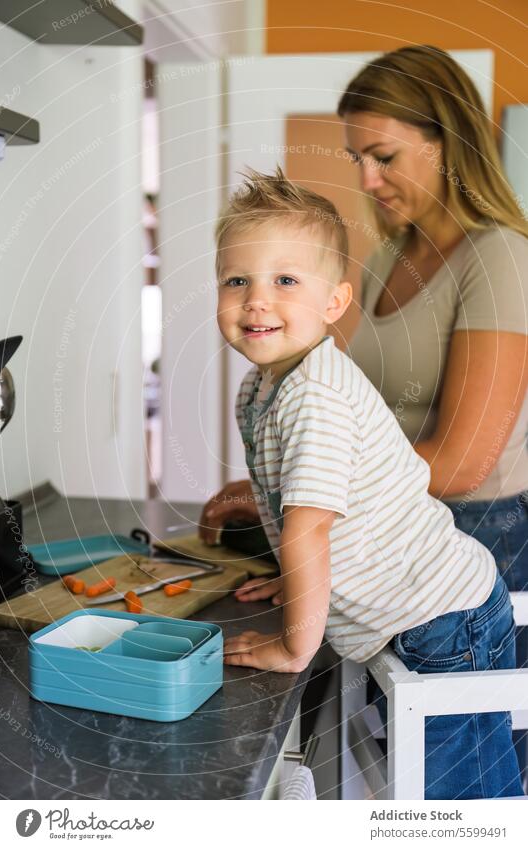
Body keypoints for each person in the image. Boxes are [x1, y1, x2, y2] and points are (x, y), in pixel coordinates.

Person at [205, 164, 522, 799]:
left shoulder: (315, 397)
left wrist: (295, 647)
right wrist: (300, 574)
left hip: (442, 618)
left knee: (461, 801)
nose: (256, 299)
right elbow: (303, 503)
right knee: (452, 784)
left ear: (334, 302)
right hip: (425, 611)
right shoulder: (261, 387)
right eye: (236, 280)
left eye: (285, 280)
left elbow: (310, 524)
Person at [337, 44, 528, 783]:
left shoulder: (500, 257)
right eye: (357, 158)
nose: (366, 180)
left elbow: (461, 459)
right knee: (409, 773)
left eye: (382, 156)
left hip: (476, 538)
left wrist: (316, 488)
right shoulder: (389, 259)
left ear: (448, 143)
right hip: (393, 533)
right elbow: (364, 417)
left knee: (461, 787)